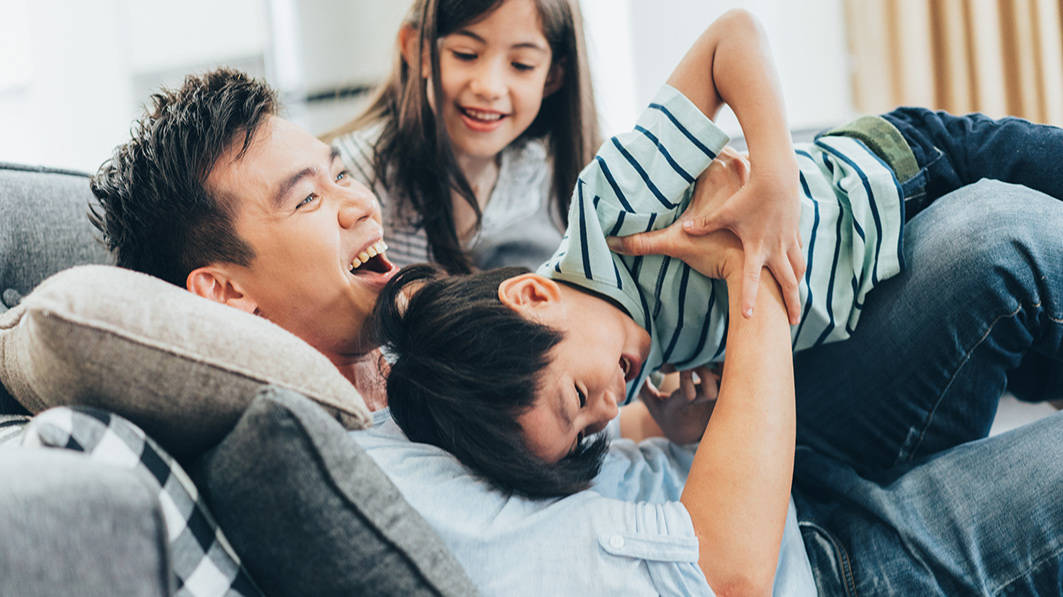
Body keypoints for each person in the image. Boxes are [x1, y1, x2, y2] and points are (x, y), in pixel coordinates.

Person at [90, 59, 1063, 597]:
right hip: (817, 561)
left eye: (341, 175)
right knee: (1001, 231)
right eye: (308, 199)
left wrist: (653, 418)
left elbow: (575, 448)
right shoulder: (363, 473)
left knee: (994, 231)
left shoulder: (399, 358)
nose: (356, 207)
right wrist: (748, 279)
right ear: (222, 293)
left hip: (774, 452)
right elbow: (725, 568)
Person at [372, 8, 1063, 495]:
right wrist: (678, 422)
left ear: (530, 296)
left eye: (580, 397)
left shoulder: (610, 208)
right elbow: (646, 405)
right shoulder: (620, 354)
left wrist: (773, 177)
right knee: (1027, 355)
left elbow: (732, 36)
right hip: (876, 291)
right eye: (590, 429)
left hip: (898, 174)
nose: (607, 407)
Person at [326, 0, 601, 274]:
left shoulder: (541, 170)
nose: (489, 88)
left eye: (522, 64)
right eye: (466, 54)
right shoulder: (353, 178)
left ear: (553, 77)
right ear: (417, 50)